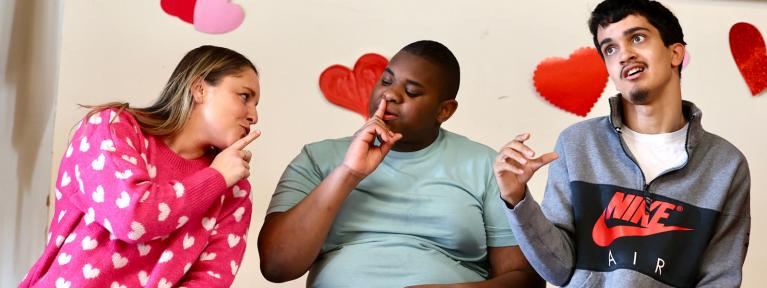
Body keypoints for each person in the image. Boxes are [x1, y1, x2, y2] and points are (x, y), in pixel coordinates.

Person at [494, 0, 751, 287]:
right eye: (610, 48)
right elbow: (558, 269)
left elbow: (720, 278)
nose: (624, 54)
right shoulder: (577, 144)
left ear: (675, 53)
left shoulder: (726, 164)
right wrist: (517, 199)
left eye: (637, 38)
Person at [258, 40, 543, 287]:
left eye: (412, 92)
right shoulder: (317, 158)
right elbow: (276, 267)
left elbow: (526, 278)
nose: (390, 95)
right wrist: (348, 173)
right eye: (386, 81)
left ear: (444, 110)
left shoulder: (485, 165)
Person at [19, 45, 260, 288]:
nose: (254, 116)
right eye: (244, 96)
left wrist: (220, 178)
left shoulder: (235, 190)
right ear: (199, 89)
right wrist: (215, 177)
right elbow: (132, 218)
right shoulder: (111, 127)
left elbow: (210, 281)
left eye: (256, 104)